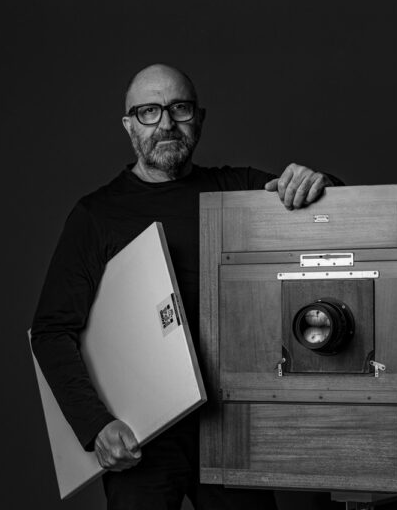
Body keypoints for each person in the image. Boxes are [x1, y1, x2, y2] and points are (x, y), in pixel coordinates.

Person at [30, 63, 341, 510]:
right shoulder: (95, 216)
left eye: (179, 108)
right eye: (149, 112)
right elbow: (51, 332)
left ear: (200, 118)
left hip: (233, 424)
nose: (166, 124)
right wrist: (95, 425)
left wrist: (321, 184)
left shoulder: (240, 190)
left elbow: (333, 215)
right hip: (144, 434)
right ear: (128, 125)